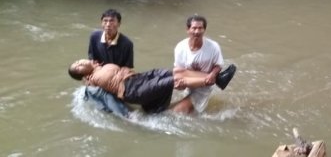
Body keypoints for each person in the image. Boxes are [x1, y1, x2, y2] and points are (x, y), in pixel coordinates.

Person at [67, 59, 235, 114]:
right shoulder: (91, 82)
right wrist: (124, 115)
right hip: (133, 91)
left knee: (175, 72)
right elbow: (104, 97)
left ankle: (216, 77)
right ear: (82, 75)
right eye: (78, 67)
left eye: (79, 61)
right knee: (173, 81)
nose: (81, 63)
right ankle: (214, 80)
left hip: (139, 79)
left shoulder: (99, 66)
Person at [172, 14, 230, 114]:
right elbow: (179, 72)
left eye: (200, 28)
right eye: (194, 28)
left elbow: (218, 65)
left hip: (205, 85)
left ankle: (214, 80)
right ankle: (219, 80)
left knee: (177, 111)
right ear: (188, 29)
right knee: (176, 73)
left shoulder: (213, 47)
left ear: (204, 30)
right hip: (189, 81)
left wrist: (212, 75)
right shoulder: (180, 47)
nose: (197, 31)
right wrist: (179, 85)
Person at [86, 9, 134, 117]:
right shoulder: (94, 37)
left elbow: (127, 68)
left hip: (116, 79)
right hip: (99, 76)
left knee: (119, 106)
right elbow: (92, 60)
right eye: (105, 21)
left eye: (112, 21)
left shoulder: (127, 44)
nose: (108, 24)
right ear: (101, 23)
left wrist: (117, 85)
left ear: (119, 24)